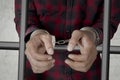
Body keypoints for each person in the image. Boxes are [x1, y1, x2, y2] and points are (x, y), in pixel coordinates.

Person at [14, 0, 120, 80]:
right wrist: (34, 34)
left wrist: (92, 35)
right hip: (37, 72)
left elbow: (111, 18)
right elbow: (22, 15)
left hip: (89, 72)